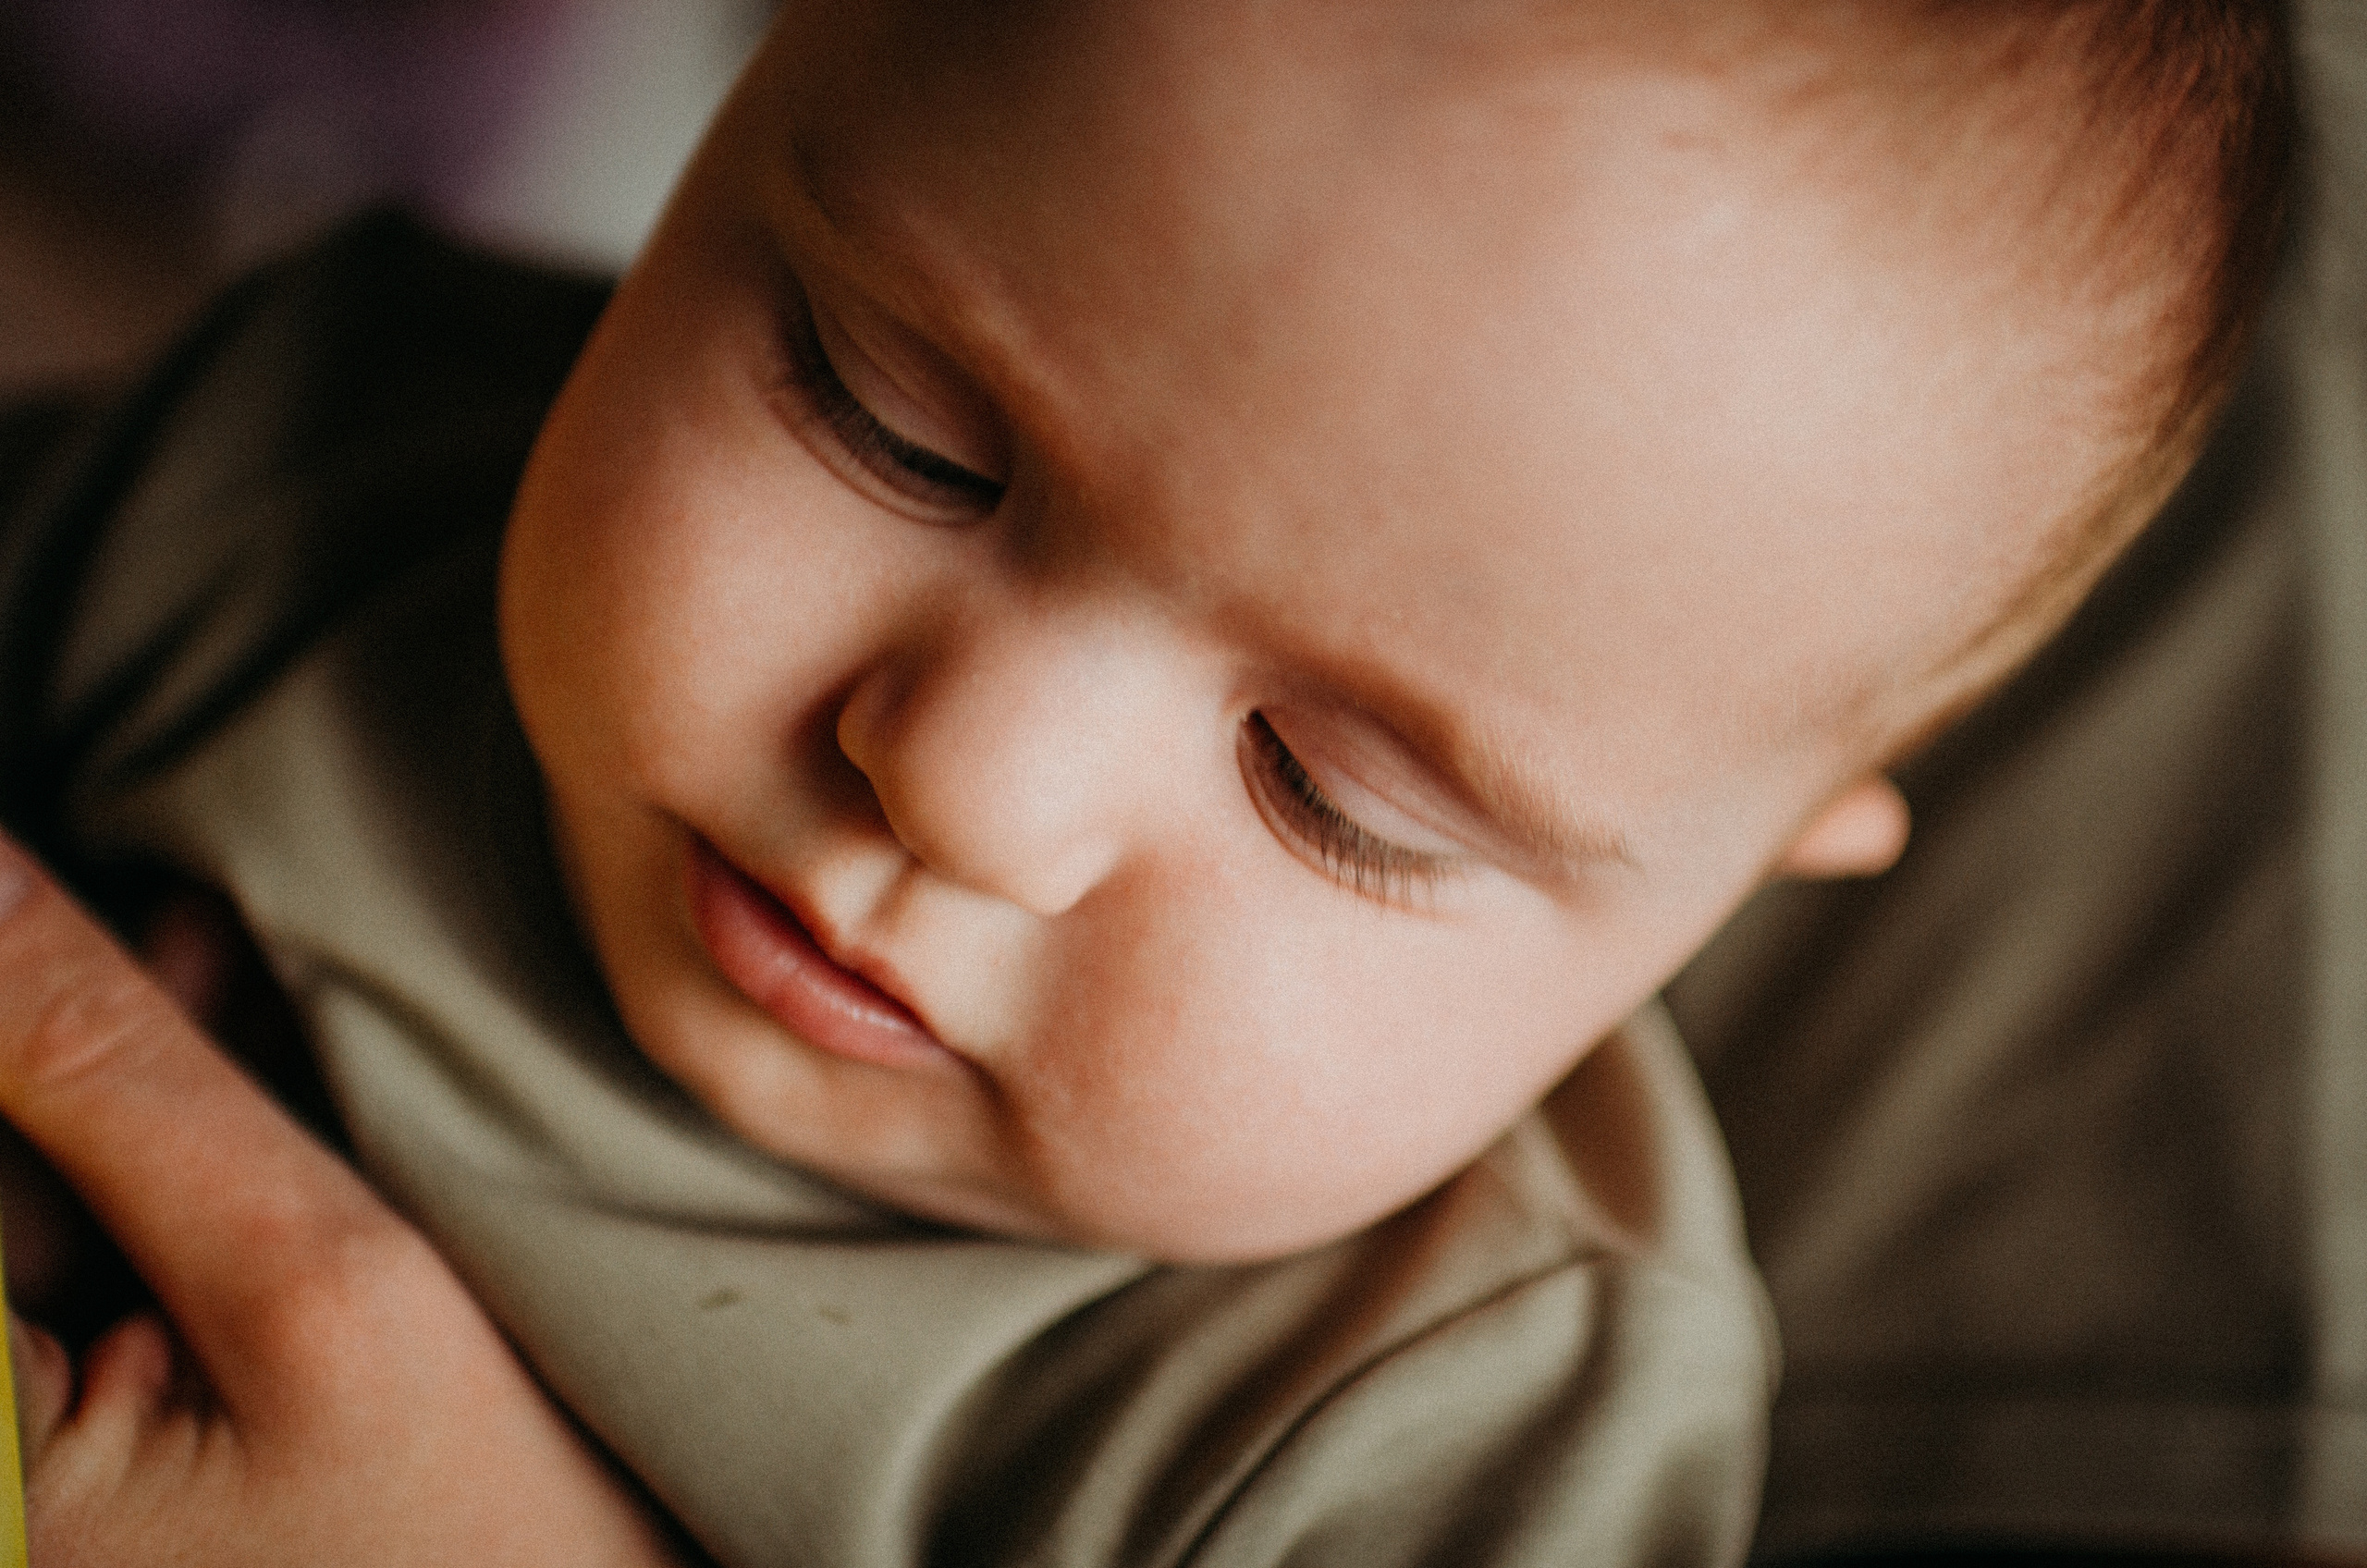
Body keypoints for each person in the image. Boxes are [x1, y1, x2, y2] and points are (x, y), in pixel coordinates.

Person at [0, 1, 2300, 1563]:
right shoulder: (316, 477)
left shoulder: (1392, 1445)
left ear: (1738, 874)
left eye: (1332, 794)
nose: (959, 790)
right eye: (893, 422)